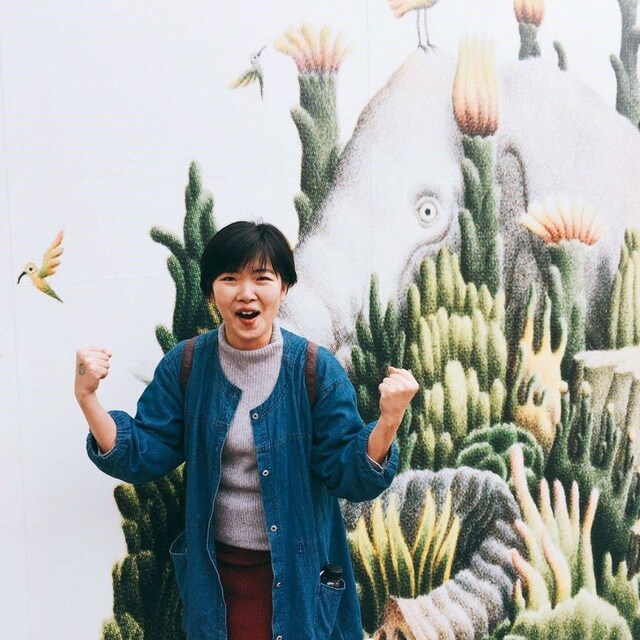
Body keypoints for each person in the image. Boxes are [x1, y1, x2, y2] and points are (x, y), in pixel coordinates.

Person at [76, 221, 419, 640]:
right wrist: (88, 398)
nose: (246, 293)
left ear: (284, 288)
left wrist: (388, 421)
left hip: (298, 579)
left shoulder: (315, 371)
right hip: (216, 580)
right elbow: (141, 454)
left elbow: (349, 474)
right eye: (229, 279)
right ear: (211, 292)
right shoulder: (187, 366)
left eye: (262, 278)